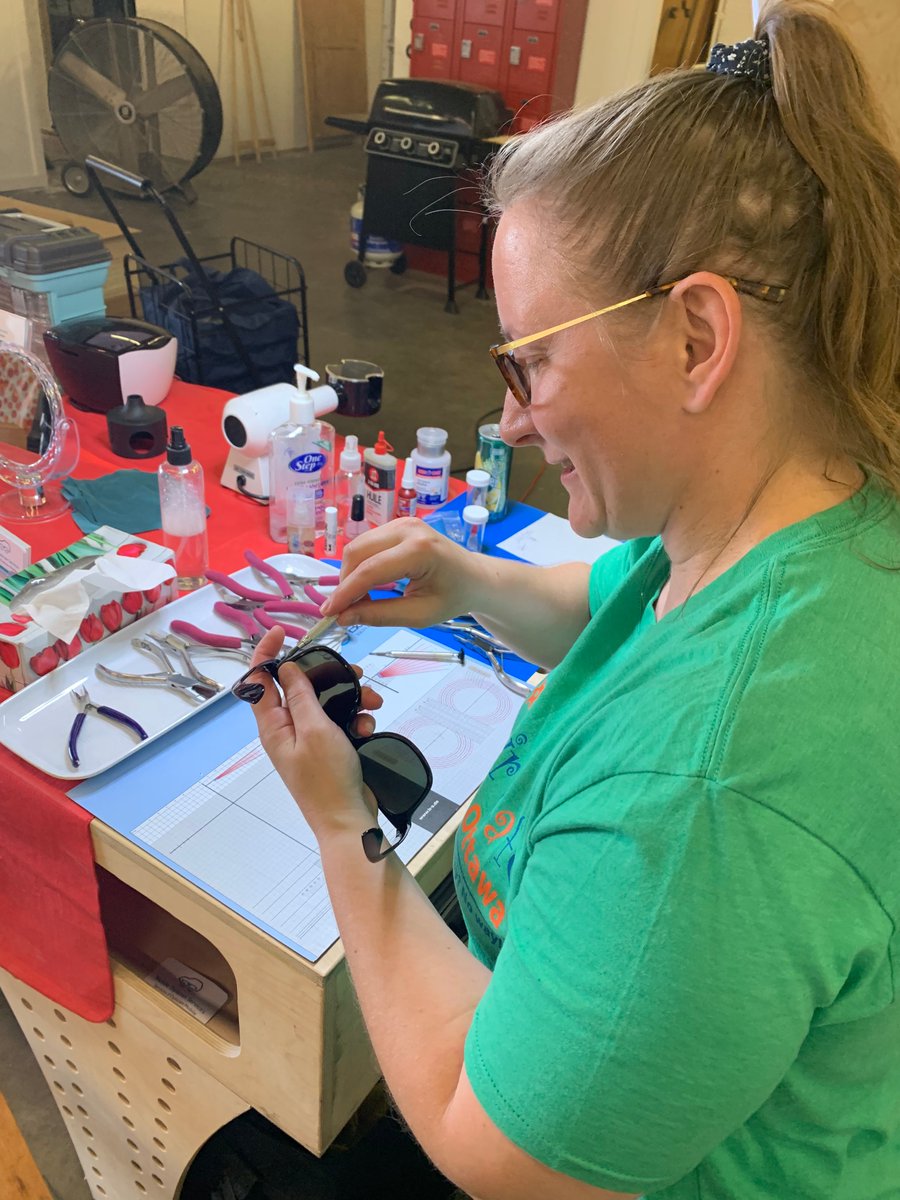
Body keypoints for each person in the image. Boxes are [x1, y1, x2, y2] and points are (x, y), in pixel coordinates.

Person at [238, 2, 900, 1196]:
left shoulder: (707, 795)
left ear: (698, 338)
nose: (509, 420)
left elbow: (491, 1144)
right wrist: (469, 583)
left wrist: (347, 831)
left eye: (529, 363)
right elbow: (617, 606)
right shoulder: (805, 509)